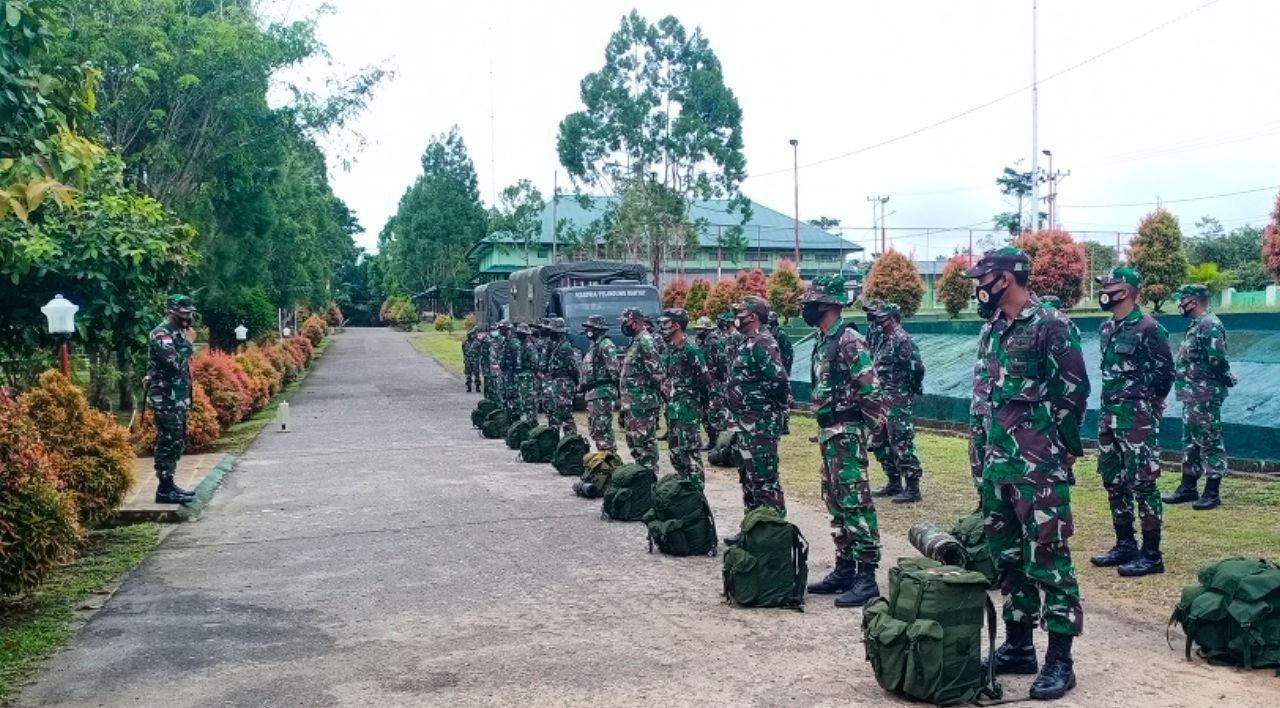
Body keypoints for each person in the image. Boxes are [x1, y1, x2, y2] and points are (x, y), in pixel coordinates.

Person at [965, 248, 1088, 701]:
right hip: (997, 465)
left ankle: (1060, 660)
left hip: (1038, 467)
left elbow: (1072, 394)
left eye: (984, 278)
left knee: (1049, 560)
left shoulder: (1052, 325)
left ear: (1006, 278)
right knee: (1008, 559)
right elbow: (984, 399)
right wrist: (980, 456)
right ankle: (1019, 646)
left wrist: (1060, 453)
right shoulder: (992, 329)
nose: (979, 287)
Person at [801, 275, 888, 608]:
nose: (807, 307)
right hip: (829, 432)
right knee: (835, 500)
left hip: (847, 432)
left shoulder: (850, 340)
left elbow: (870, 389)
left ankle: (866, 576)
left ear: (829, 304)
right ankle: (845, 568)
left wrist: (871, 430)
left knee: (855, 500)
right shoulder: (823, 339)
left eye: (813, 301)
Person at [1089, 267, 1174, 578]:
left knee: (1143, 483)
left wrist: (1148, 405)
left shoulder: (1150, 328)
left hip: (1137, 419)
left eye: (1108, 286)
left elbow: (1165, 374)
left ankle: (1151, 555)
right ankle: (1125, 544)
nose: (1103, 292)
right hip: (1109, 416)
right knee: (1113, 481)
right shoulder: (1107, 327)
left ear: (1124, 291)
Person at [1164, 283, 1236, 510]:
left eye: (1182, 300)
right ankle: (1188, 487)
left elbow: (1217, 360)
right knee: (1191, 441)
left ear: (1193, 302)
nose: (1180, 304)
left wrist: (1226, 378)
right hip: (1191, 394)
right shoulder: (1196, 325)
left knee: (1209, 440)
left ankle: (1212, 491)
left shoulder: (1210, 325)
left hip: (1205, 395)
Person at [725, 295, 789, 543]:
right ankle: (752, 530)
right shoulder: (747, 342)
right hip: (745, 424)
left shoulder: (763, 341)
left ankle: (773, 536)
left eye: (740, 312)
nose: (736, 317)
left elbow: (779, 380)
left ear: (752, 316)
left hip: (760, 424)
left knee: (765, 480)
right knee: (749, 479)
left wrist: (768, 409)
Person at [865, 301, 926, 504]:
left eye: (879, 318)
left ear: (891, 318)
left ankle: (912, 487)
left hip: (897, 399)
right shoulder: (882, 338)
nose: (875, 322)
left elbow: (917, 368)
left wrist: (908, 389)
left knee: (901, 440)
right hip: (880, 399)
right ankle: (893, 482)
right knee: (880, 442)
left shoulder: (901, 339)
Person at [147, 295, 199, 504]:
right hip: (165, 398)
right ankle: (164, 488)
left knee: (176, 441)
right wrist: (188, 343)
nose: (188, 317)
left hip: (176, 398)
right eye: (184, 313)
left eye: (190, 313)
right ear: (171, 311)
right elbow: (174, 363)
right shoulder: (161, 334)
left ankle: (169, 484)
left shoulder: (176, 333)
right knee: (167, 441)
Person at [658, 308, 715, 488]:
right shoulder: (669, 349)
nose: (663, 326)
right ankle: (684, 491)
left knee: (689, 453)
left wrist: (701, 405)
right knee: (676, 453)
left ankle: (696, 494)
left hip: (688, 409)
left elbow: (705, 381)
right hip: (673, 408)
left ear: (676, 325)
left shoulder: (691, 350)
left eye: (666, 323)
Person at [619, 308, 663, 472]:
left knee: (645, 443)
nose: (624, 327)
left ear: (636, 322)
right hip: (632, 402)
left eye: (626, 323)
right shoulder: (635, 341)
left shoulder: (645, 341)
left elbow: (657, 373)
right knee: (634, 441)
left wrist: (650, 396)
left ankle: (649, 475)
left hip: (642, 402)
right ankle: (642, 474)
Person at [578, 314, 620, 452]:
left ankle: (608, 456)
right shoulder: (594, 345)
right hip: (594, 392)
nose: (587, 331)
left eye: (590, 328)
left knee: (602, 428)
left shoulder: (606, 345)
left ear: (597, 329)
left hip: (602, 391)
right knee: (595, 428)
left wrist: (617, 390)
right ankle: (605, 455)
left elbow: (614, 370)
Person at [542, 318, 581, 436]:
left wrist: (577, 382)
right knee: (554, 412)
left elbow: (573, 367)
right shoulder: (554, 344)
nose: (550, 333)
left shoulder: (565, 346)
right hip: (556, 382)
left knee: (564, 412)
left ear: (558, 332)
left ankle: (571, 439)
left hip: (564, 383)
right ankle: (554, 438)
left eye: (552, 331)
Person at [693, 316, 725, 447]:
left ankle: (720, 444)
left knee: (716, 413)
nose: (698, 332)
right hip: (703, 384)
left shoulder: (715, 343)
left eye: (700, 329)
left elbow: (722, 365)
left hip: (715, 384)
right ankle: (712, 440)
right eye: (697, 329)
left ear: (707, 330)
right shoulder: (700, 342)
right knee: (705, 413)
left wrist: (717, 381)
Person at [768, 311, 795, 435]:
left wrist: (784, 369)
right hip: (774, 369)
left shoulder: (781, 334)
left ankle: (785, 425)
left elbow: (788, 353)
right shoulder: (769, 333)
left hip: (782, 368)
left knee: (784, 396)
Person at [511, 322, 538, 422]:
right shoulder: (519, 345)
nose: (518, 335)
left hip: (527, 378)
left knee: (529, 402)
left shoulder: (530, 347)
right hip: (518, 376)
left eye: (520, 333)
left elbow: (535, 363)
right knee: (518, 401)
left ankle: (532, 423)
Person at [488, 322, 507, 406]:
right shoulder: (492, 340)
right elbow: (491, 354)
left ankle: (501, 404)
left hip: (501, 367)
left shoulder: (504, 340)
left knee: (501, 386)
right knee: (494, 384)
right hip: (493, 366)